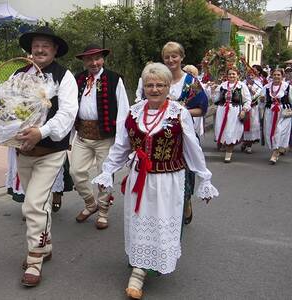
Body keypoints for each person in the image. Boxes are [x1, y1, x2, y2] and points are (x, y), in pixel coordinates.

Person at [92, 63, 218, 299]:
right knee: (139, 222)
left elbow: (192, 149)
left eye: (160, 85)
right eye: (150, 85)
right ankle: (138, 270)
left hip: (168, 180)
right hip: (139, 178)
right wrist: (107, 171)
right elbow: (121, 147)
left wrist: (204, 178)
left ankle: (150, 264)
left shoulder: (179, 113)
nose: (155, 89)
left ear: (168, 86)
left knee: (160, 223)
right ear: (143, 87)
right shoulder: (133, 112)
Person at [0, 26, 78, 287]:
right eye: (36, 44)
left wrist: (42, 131)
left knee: (32, 204)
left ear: (55, 50)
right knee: (39, 204)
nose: (40, 49)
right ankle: (44, 246)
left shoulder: (64, 76)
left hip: (50, 152)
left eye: (46, 44)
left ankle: (35, 258)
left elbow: (68, 114)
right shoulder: (18, 73)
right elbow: (1, 107)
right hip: (23, 151)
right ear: (30, 48)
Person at [71, 44, 129, 229]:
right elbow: (71, 108)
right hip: (82, 136)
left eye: (97, 58)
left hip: (105, 136)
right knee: (75, 171)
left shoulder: (114, 79)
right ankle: (90, 203)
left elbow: (123, 110)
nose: (93, 62)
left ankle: (103, 210)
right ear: (83, 61)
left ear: (103, 59)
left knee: (105, 174)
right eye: (89, 59)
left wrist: (121, 139)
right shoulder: (77, 79)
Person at [161, 42, 209, 225]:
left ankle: (186, 199)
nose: (171, 60)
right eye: (167, 57)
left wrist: (182, 111)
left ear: (181, 57)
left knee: (186, 171)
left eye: (174, 56)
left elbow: (202, 109)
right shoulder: (159, 79)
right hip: (162, 136)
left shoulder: (191, 82)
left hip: (184, 135)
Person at [213, 67, 251, 162]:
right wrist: (212, 90)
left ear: (238, 75)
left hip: (234, 112)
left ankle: (228, 153)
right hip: (222, 111)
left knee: (231, 131)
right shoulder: (222, 85)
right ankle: (225, 146)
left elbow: (247, 100)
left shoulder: (242, 86)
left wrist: (244, 110)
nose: (231, 76)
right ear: (227, 75)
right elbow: (215, 99)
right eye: (230, 74)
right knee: (223, 130)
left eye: (234, 74)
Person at [260, 68, 292, 164]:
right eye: (275, 74)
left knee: (279, 131)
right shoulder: (266, 87)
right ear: (272, 76)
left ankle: (275, 153)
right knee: (270, 131)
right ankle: (276, 149)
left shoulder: (288, 87)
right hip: (270, 112)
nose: (276, 76)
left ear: (282, 76)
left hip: (283, 113)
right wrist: (261, 100)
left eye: (279, 75)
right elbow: (262, 101)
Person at [241, 66, 263, 153]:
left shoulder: (258, 83)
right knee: (242, 126)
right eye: (249, 74)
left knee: (252, 126)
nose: (250, 76)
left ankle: (249, 145)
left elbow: (257, 95)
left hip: (253, 108)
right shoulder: (242, 83)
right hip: (244, 107)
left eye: (252, 74)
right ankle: (244, 142)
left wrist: (251, 89)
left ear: (255, 75)